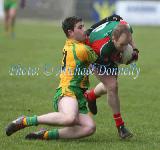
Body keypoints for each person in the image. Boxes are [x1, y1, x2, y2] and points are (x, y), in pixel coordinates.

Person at [5, 16, 98, 140]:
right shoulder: (81, 49)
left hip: (78, 95)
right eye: (80, 27)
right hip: (68, 92)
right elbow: (101, 58)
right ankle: (25, 121)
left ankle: (45, 135)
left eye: (83, 26)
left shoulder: (72, 44)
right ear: (70, 32)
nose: (84, 30)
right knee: (70, 119)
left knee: (89, 127)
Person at [84, 15, 139, 139]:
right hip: (94, 55)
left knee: (110, 86)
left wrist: (135, 50)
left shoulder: (126, 28)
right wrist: (125, 59)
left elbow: (115, 18)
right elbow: (112, 59)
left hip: (109, 49)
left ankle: (90, 96)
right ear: (113, 39)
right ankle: (121, 127)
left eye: (126, 44)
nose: (125, 48)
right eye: (122, 45)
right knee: (112, 86)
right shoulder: (102, 49)